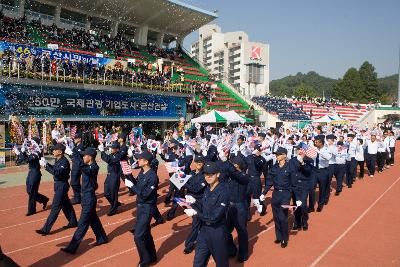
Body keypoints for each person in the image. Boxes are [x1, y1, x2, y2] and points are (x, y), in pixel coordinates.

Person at [61, 147, 108, 254]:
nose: (83, 157)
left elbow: (81, 166)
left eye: (84, 155)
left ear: (90, 157)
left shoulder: (93, 167)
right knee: (93, 220)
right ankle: (102, 238)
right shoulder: (88, 166)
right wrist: (73, 154)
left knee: (82, 224)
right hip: (86, 198)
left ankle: (72, 247)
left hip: (89, 199)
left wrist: (72, 155)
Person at [184, 162, 230, 267]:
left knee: (221, 263)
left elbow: (214, 217)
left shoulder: (224, 192)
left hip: (217, 232)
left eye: (211, 174)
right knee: (198, 263)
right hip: (204, 231)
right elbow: (204, 209)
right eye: (206, 174)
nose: (208, 177)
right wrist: (194, 202)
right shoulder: (207, 189)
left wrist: (196, 213)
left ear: (218, 174)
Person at [36, 143, 77, 235]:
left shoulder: (64, 162)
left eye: (55, 150)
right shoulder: (58, 160)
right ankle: (73, 222)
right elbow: (55, 168)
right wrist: (46, 163)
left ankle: (45, 229)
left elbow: (57, 172)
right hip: (59, 185)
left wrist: (46, 166)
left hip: (62, 185)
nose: (53, 151)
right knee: (66, 205)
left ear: (60, 152)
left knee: (55, 207)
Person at [127, 151, 158, 267]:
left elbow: (144, 194)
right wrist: (129, 176)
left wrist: (132, 187)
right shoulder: (142, 173)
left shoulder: (153, 176)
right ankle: (152, 256)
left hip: (147, 207)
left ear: (146, 162)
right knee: (146, 233)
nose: (138, 160)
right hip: (140, 206)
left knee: (138, 236)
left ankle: (145, 260)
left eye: (140, 159)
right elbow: (138, 185)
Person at [261, 147, 292, 248]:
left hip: (286, 194)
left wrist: (298, 197)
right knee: (276, 217)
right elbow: (269, 181)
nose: (276, 156)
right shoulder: (274, 168)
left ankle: (284, 238)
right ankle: (278, 236)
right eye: (276, 155)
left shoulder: (290, 167)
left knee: (283, 217)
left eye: (278, 154)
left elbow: (294, 182)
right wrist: (263, 193)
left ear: (284, 155)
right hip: (276, 194)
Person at [14, 138, 49, 216]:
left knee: (32, 192)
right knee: (29, 191)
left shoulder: (37, 152)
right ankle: (44, 199)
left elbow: (27, 160)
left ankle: (32, 210)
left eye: (32, 142)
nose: (30, 144)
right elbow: (25, 158)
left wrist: (19, 153)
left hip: (35, 173)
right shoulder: (33, 151)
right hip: (31, 172)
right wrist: (21, 152)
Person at [227, 156, 250, 262]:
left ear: (237, 165)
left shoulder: (244, 176)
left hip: (239, 206)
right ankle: (231, 249)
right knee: (225, 230)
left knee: (241, 231)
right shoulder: (229, 175)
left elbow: (239, 176)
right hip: (228, 206)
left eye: (232, 164)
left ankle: (243, 254)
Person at [183, 154, 207, 254]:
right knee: (200, 223)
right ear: (194, 162)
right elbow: (187, 186)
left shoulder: (205, 175)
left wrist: (183, 183)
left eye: (200, 162)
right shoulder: (191, 173)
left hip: (200, 202)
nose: (198, 163)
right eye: (197, 161)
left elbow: (196, 189)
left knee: (196, 223)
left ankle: (189, 244)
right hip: (191, 201)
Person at [99, 141, 122, 216]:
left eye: (113, 148)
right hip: (109, 175)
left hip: (114, 175)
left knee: (113, 193)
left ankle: (114, 209)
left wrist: (102, 151)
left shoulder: (118, 155)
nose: (111, 149)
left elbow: (109, 160)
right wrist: (102, 152)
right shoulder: (113, 154)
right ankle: (115, 203)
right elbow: (106, 158)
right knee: (106, 193)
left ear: (117, 149)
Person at [66, 132, 85, 205]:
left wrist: (71, 154)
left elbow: (78, 156)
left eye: (76, 138)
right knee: (75, 183)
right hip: (75, 166)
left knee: (74, 183)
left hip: (78, 166)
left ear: (79, 139)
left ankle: (80, 197)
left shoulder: (81, 146)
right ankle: (78, 197)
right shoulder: (76, 146)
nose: (74, 140)